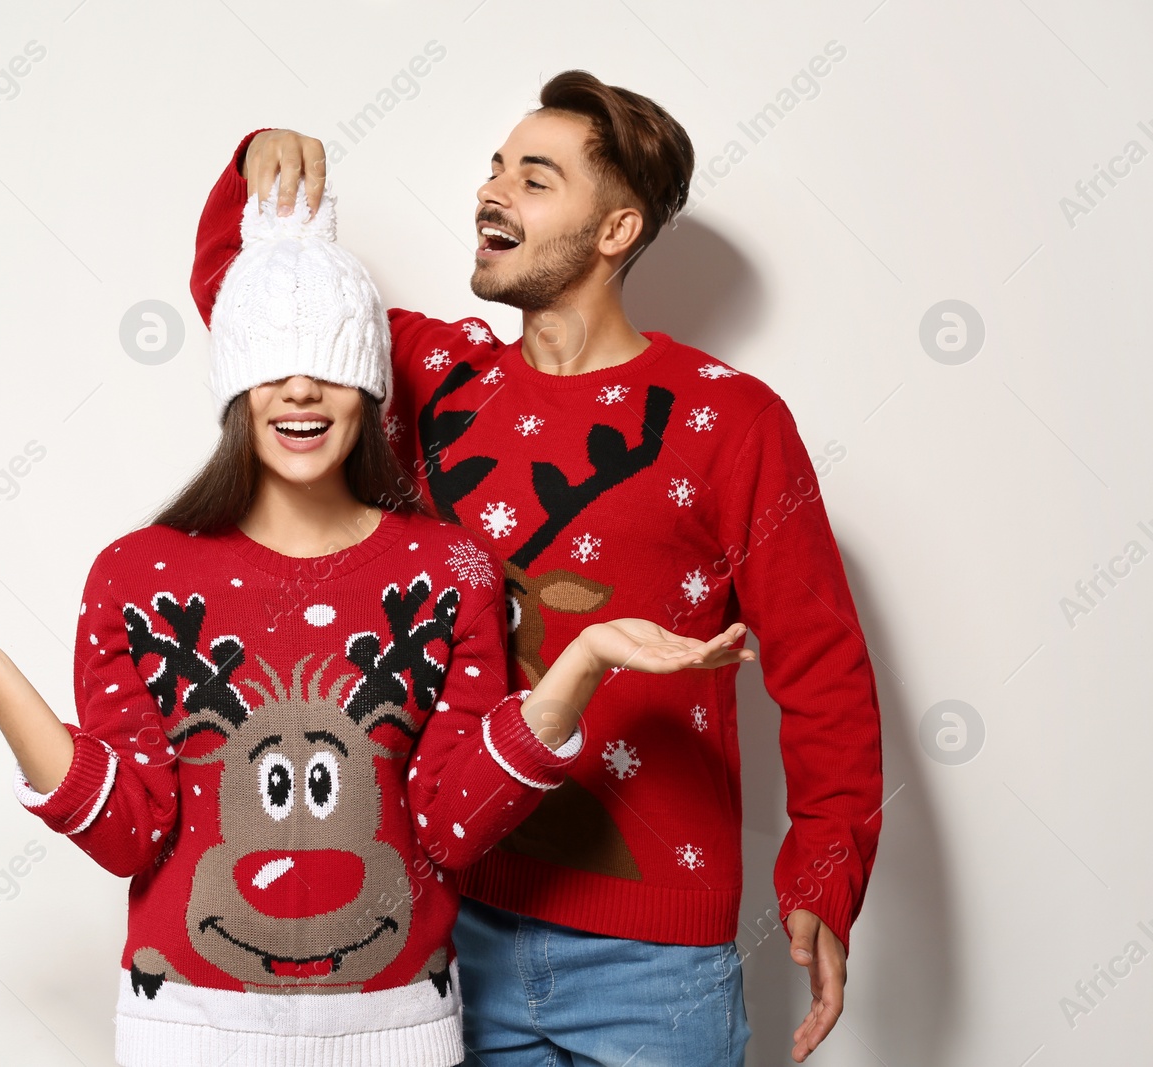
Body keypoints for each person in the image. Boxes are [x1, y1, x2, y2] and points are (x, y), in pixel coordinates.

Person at [0, 178, 752, 1067]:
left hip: (400, 1032)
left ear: (369, 392)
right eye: (272, 370)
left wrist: (579, 662)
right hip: (187, 1031)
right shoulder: (138, 573)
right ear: (236, 390)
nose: (300, 392)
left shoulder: (449, 569)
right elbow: (130, 833)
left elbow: (452, 823)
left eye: (329, 369)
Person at [191, 71, 884, 1067]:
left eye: (536, 176)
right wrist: (257, 172)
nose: (493, 190)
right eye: (494, 166)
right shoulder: (430, 380)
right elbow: (248, 309)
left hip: (655, 958)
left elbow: (821, 662)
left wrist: (825, 863)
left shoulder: (729, 419)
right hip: (445, 917)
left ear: (615, 230)